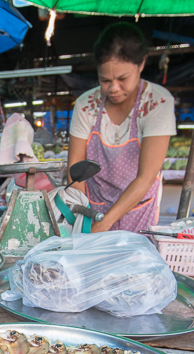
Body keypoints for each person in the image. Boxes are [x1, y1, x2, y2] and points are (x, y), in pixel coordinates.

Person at [67, 23, 176, 232]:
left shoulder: (157, 102)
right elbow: (75, 170)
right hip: (93, 204)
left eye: (122, 78)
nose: (114, 88)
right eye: (105, 80)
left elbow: (146, 176)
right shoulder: (86, 104)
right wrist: (83, 214)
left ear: (141, 63)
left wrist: (106, 222)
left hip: (137, 207)